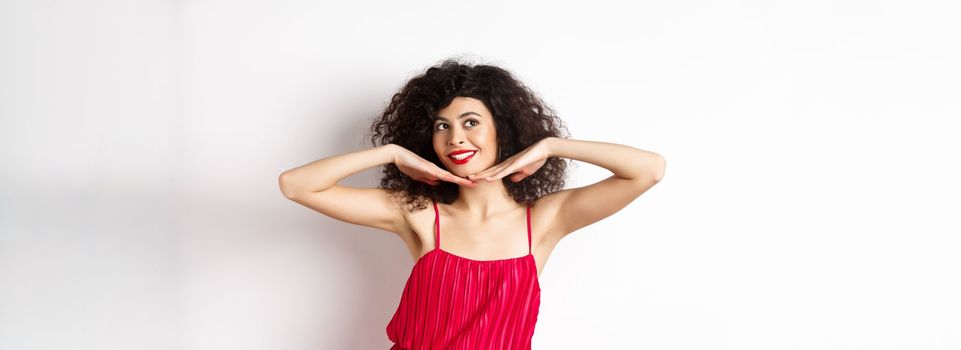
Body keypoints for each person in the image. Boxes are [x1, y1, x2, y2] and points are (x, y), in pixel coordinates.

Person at [278, 58, 666, 349]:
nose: (455, 139)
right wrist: (392, 153)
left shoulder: (544, 219)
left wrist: (551, 146)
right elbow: (297, 186)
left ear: (503, 128)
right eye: (441, 126)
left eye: (470, 122)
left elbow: (648, 170)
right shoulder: (418, 214)